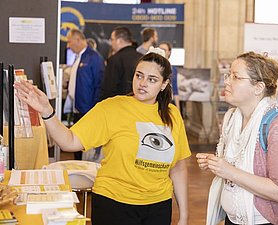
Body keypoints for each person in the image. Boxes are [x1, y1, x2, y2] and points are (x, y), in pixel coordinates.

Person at [14, 50, 191, 225]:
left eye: (152, 79)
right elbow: (69, 141)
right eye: (139, 75)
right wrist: (47, 112)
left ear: (164, 84)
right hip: (114, 203)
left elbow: (178, 167)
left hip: (158, 205)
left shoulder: (172, 115)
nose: (142, 83)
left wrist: (184, 215)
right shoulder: (111, 108)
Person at [196, 52, 278, 225]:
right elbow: (235, 163)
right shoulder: (231, 117)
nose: (227, 81)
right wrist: (215, 163)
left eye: (235, 77)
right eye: (228, 75)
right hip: (233, 219)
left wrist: (229, 171)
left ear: (258, 87)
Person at [66, 29, 105, 160]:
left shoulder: (94, 58)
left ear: (78, 40)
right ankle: (76, 164)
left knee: (83, 143)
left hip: (87, 109)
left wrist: (94, 109)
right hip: (78, 107)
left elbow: (99, 84)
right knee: (75, 140)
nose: (68, 46)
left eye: (69, 42)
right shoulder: (79, 57)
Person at [100, 26, 142, 100]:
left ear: (119, 41)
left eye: (112, 39)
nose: (111, 43)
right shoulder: (142, 58)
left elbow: (109, 89)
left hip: (118, 106)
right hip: (139, 105)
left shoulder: (114, 60)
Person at [159, 41, 180, 110]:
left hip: (168, 101)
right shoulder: (153, 67)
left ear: (169, 52)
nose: (161, 51)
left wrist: (178, 109)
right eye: (159, 49)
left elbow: (175, 89)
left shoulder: (173, 69)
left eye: (164, 50)